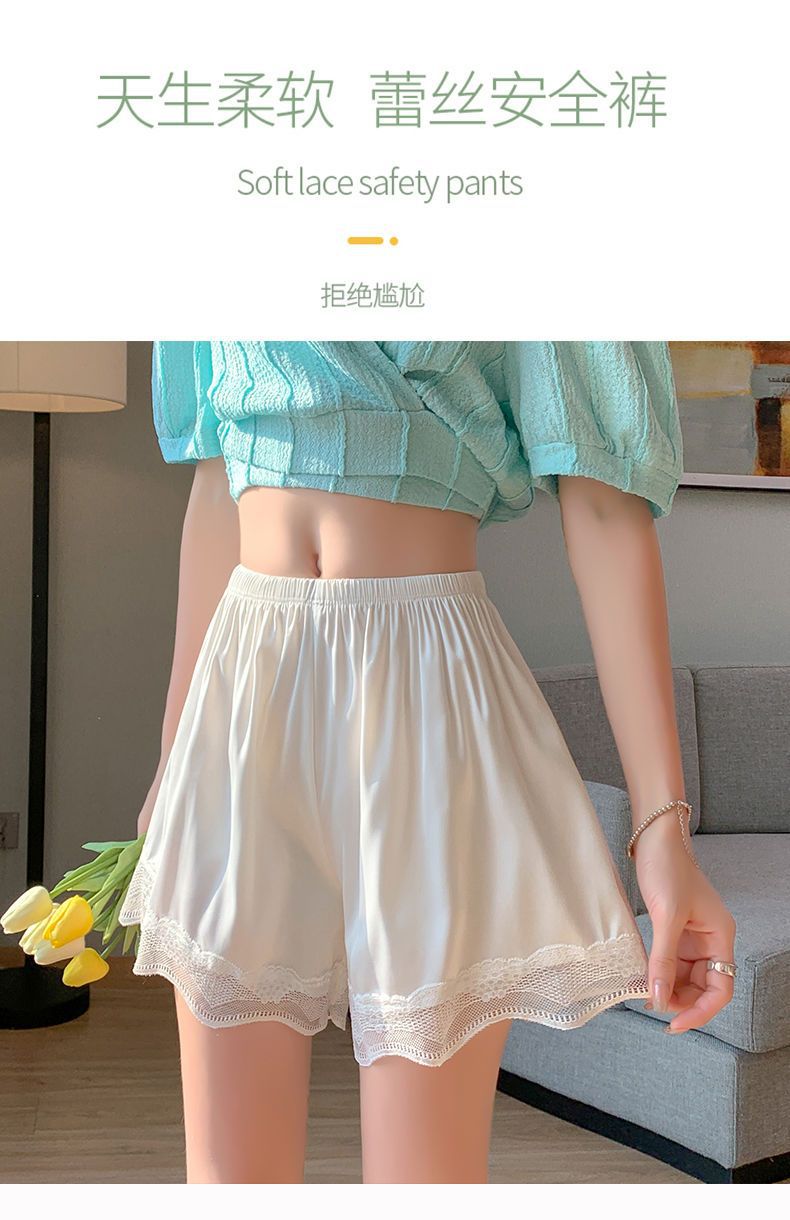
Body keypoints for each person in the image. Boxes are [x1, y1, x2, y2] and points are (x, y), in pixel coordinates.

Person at [118, 340, 736, 1185]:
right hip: (244, 686)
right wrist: (172, 756)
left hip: (428, 690)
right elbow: (217, 479)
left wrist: (663, 829)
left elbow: (603, 507)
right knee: (229, 1181)